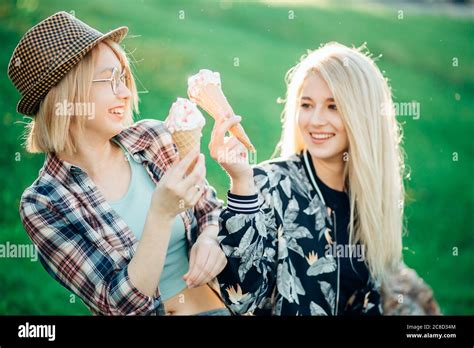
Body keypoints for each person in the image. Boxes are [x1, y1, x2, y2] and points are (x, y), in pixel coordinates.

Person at [10, 11, 229, 316]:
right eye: (110, 80)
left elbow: (210, 209)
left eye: (123, 77)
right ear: (68, 96)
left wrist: (209, 239)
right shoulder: (44, 204)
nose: (126, 93)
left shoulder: (153, 139)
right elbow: (119, 306)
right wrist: (161, 213)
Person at [210, 42, 405, 315]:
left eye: (333, 106)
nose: (315, 120)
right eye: (307, 104)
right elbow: (241, 297)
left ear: (364, 115)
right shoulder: (268, 184)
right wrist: (242, 185)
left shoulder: (371, 198)